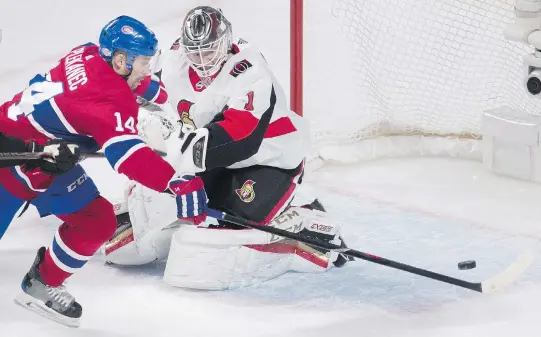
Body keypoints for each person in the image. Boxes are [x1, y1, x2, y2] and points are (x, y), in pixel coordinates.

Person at [104, 6, 352, 290]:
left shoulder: (252, 73)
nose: (201, 61)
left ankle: (301, 224)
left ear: (226, 42)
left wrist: (173, 154)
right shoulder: (177, 57)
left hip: (268, 160)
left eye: (208, 51)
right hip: (209, 157)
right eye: (194, 52)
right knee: (125, 245)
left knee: (204, 257)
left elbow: (238, 139)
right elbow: (143, 83)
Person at [0, 15, 208, 327]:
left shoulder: (87, 52)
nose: (147, 70)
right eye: (143, 64)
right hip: (13, 163)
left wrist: (147, 87)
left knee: (96, 221)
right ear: (122, 61)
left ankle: (41, 283)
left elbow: (96, 87)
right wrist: (174, 182)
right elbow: (128, 157)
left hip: (45, 156)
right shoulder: (108, 100)